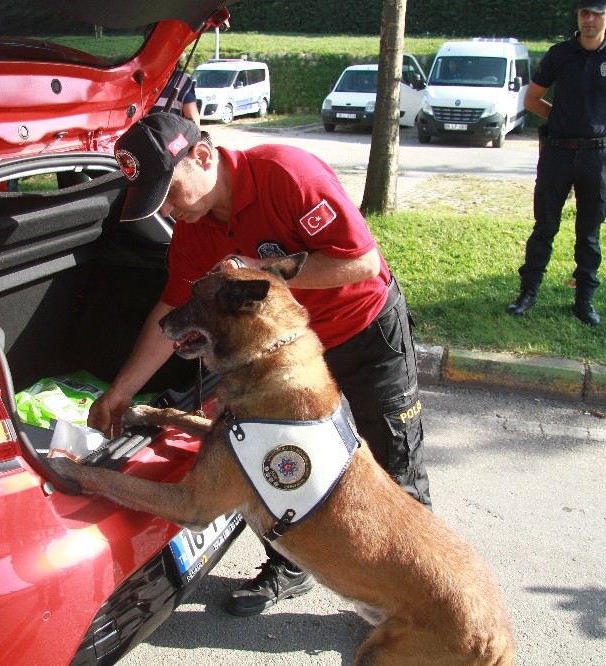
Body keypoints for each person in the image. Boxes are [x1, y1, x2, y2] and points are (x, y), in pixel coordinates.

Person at [89, 112, 431, 616]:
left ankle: (417, 601)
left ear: (202, 156)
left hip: (360, 333)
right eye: (154, 203)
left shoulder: (287, 175)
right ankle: (290, 566)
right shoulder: (193, 231)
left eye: (170, 194)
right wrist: (122, 390)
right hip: (282, 361)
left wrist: (263, 272)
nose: (168, 212)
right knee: (274, 464)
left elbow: (360, 262)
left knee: (390, 466)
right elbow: (170, 311)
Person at [506, 0, 606, 326]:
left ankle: (584, 301)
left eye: (597, 14)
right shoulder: (560, 53)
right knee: (544, 227)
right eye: (584, 13)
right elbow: (532, 99)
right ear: (578, 16)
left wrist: (598, 125)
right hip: (557, 153)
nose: (589, 20)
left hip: (597, 156)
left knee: (589, 232)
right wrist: (565, 120)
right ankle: (527, 294)